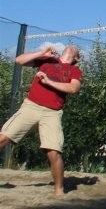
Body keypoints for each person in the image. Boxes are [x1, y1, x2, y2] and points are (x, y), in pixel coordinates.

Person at [0, 45, 82, 195]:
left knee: (54, 152)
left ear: (76, 58)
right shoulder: (48, 59)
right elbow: (19, 60)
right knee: (3, 138)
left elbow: (73, 88)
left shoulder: (74, 71)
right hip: (31, 106)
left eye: (75, 48)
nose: (72, 47)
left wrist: (48, 82)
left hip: (52, 112)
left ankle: (59, 191)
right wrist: (41, 52)